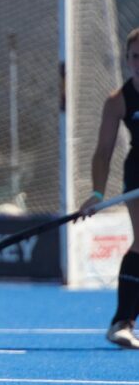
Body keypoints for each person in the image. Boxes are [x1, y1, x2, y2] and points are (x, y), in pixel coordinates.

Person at [80, 27, 139, 350]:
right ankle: (122, 322)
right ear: (127, 59)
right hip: (138, 175)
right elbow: (103, 152)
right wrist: (98, 194)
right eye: (134, 56)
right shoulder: (118, 100)